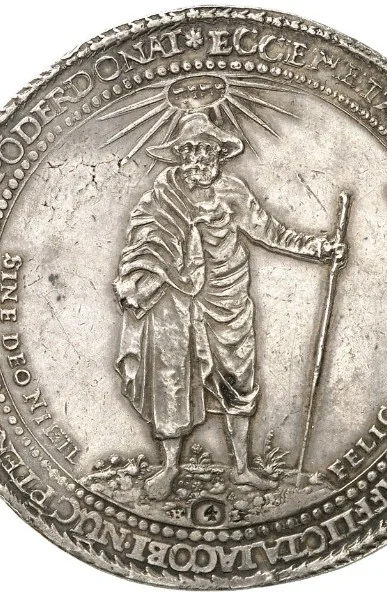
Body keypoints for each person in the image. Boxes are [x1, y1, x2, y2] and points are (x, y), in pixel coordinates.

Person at [114, 112, 346, 499]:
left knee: (239, 381)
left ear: (220, 155)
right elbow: (140, 247)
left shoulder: (233, 192)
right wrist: (142, 278)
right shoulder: (159, 199)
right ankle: (169, 467)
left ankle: (241, 469)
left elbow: (271, 232)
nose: (199, 159)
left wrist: (319, 248)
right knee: (172, 382)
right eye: (191, 151)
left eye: (207, 151)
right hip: (176, 306)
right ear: (179, 156)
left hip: (228, 302)